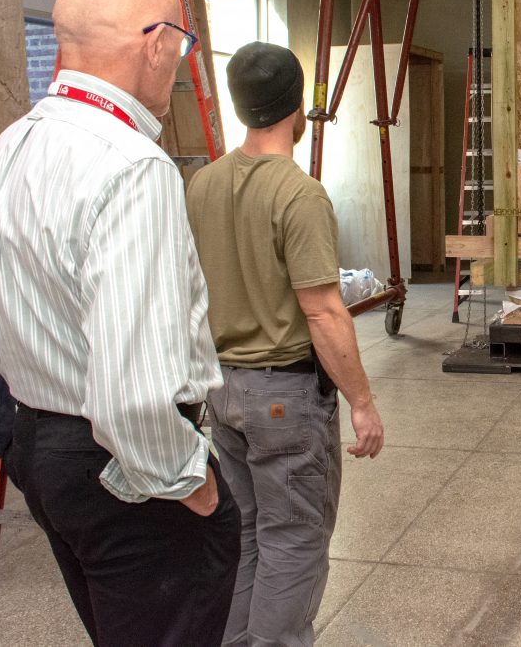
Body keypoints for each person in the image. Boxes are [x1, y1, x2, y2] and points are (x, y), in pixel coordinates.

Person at [0, 0, 240, 647]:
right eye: (181, 43)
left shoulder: (14, 144)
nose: (178, 62)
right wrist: (194, 486)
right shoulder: (133, 167)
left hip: (40, 445)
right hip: (126, 474)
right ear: (155, 43)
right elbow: (132, 394)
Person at [186, 41, 385, 647]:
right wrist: (362, 402)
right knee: (295, 538)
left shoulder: (201, 185)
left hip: (222, 390)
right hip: (283, 397)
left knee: (249, 533)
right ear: (298, 107)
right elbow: (322, 311)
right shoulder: (299, 194)